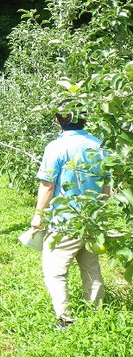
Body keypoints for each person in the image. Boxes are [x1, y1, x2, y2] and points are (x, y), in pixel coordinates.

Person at [31, 103, 109, 330]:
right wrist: (101, 211)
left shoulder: (56, 147)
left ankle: (65, 319)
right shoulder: (99, 144)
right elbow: (106, 185)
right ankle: (97, 312)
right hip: (92, 218)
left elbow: (47, 185)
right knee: (91, 266)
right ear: (86, 119)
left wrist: (38, 215)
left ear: (57, 121)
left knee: (55, 269)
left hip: (65, 219)